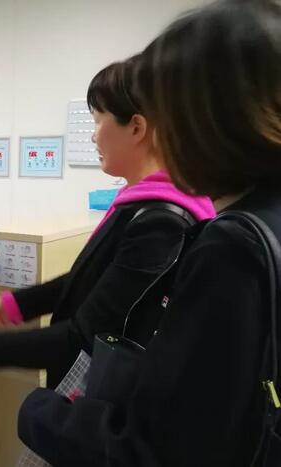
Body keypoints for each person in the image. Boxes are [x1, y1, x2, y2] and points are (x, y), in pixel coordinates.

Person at [17, 1, 281, 465]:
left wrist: (39, 412)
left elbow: (160, 446)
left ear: (206, 117)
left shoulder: (230, 248)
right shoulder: (262, 217)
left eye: (165, 114)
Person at [0, 57, 216, 389]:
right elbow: (91, 280)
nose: (93, 137)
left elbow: (84, 337)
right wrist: (19, 304)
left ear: (136, 128)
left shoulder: (160, 223)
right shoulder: (140, 204)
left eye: (97, 121)